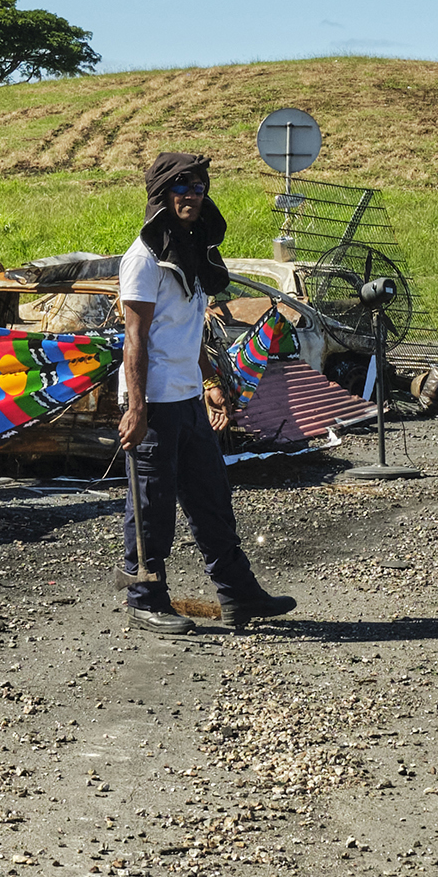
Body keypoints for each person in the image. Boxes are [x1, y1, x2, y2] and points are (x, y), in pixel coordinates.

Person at [116, 151, 295, 636]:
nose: (192, 195)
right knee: (151, 506)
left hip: (189, 399)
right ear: (160, 196)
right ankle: (145, 599)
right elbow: (135, 339)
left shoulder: (190, 254)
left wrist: (211, 382)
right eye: (181, 187)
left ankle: (239, 596)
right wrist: (136, 409)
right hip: (153, 403)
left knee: (212, 500)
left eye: (198, 187)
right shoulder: (143, 259)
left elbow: (189, 331)